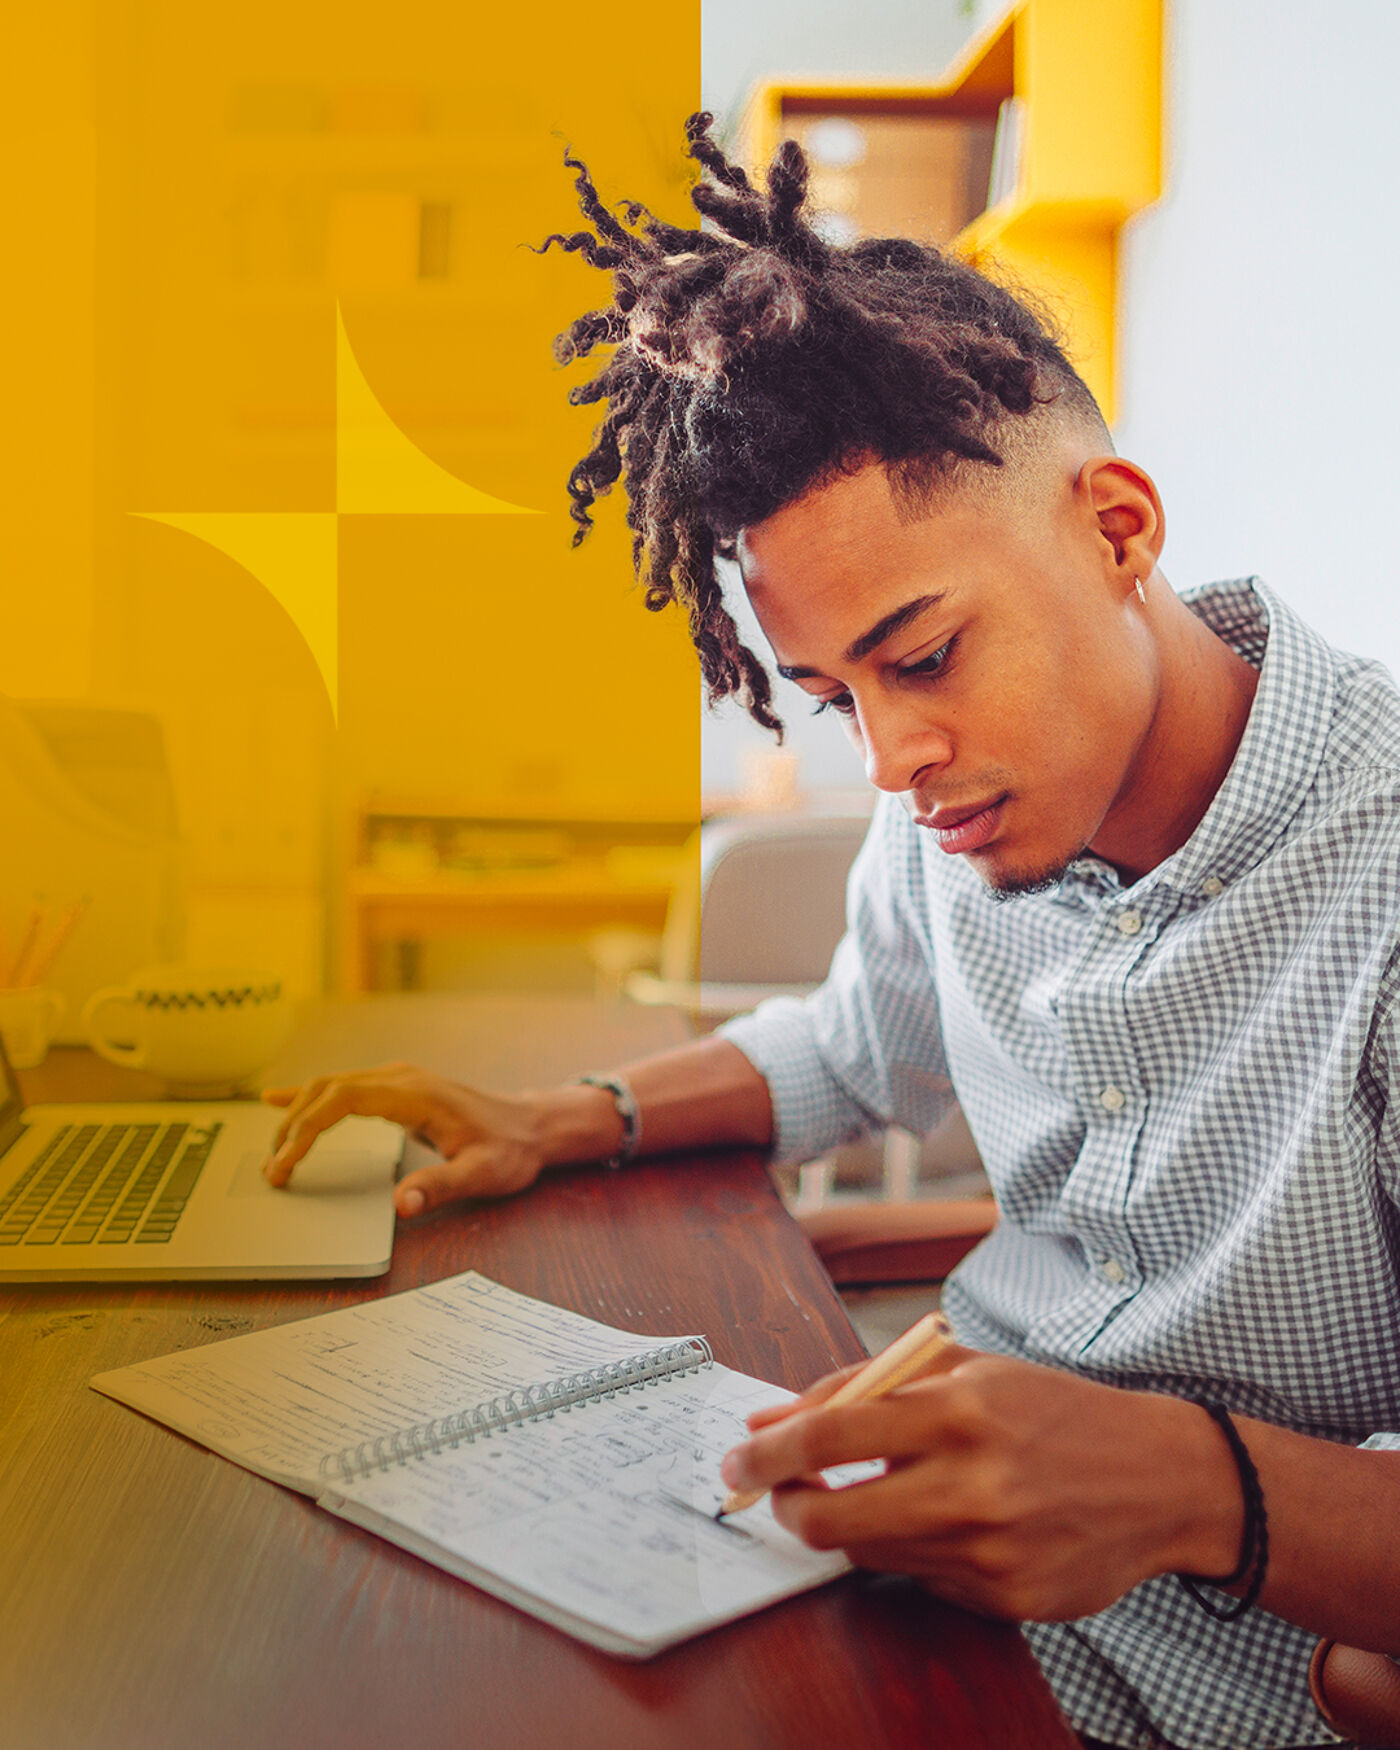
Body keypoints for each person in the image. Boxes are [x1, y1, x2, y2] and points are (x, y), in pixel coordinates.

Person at [261, 116, 1400, 1749]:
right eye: (833, 697)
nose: (891, 760)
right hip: (922, 1587)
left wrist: (1192, 1484)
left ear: (1119, 531)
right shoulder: (960, 804)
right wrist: (569, 1116)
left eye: (922, 655)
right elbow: (854, 1043)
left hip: (1232, 1681)